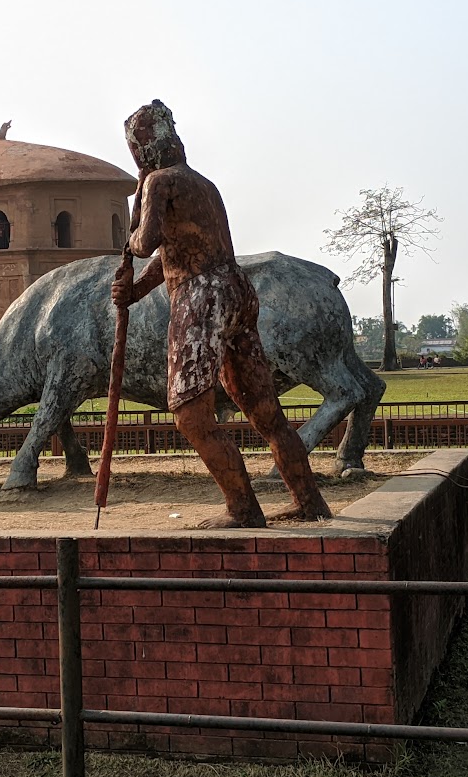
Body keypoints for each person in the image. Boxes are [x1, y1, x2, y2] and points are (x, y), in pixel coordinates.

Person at [111, 100, 331, 529]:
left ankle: (243, 508)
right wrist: (134, 291)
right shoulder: (202, 185)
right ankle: (309, 501)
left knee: (192, 416)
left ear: (142, 151)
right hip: (234, 291)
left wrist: (136, 213)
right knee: (265, 413)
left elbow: (145, 243)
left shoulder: (159, 182)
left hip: (203, 299)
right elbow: (177, 250)